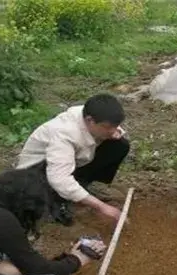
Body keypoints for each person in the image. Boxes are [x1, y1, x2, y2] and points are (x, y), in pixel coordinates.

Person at [0, 169, 106, 275]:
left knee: (14, 265)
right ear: (27, 205)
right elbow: (37, 270)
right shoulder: (3, 221)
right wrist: (76, 260)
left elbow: (28, 260)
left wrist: (67, 257)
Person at [16, 93, 130, 226]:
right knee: (59, 185)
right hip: (37, 171)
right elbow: (59, 179)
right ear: (90, 120)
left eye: (115, 126)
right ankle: (57, 201)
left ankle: (81, 185)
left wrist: (114, 132)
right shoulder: (64, 134)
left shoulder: (90, 113)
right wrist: (101, 207)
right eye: (108, 127)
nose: (113, 130)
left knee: (119, 145)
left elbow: (113, 128)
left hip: (68, 160)